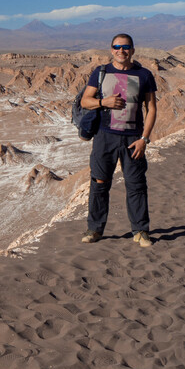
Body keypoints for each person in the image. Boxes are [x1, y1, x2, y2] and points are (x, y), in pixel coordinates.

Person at [79, 33, 157, 247]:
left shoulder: (144, 75)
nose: (121, 51)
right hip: (105, 137)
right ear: (111, 49)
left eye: (125, 47)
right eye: (117, 46)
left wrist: (144, 139)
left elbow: (151, 109)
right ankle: (94, 229)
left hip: (133, 138)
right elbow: (86, 101)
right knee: (99, 183)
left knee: (136, 184)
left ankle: (140, 231)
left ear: (132, 50)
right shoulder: (101, 72)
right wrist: (104, 102)